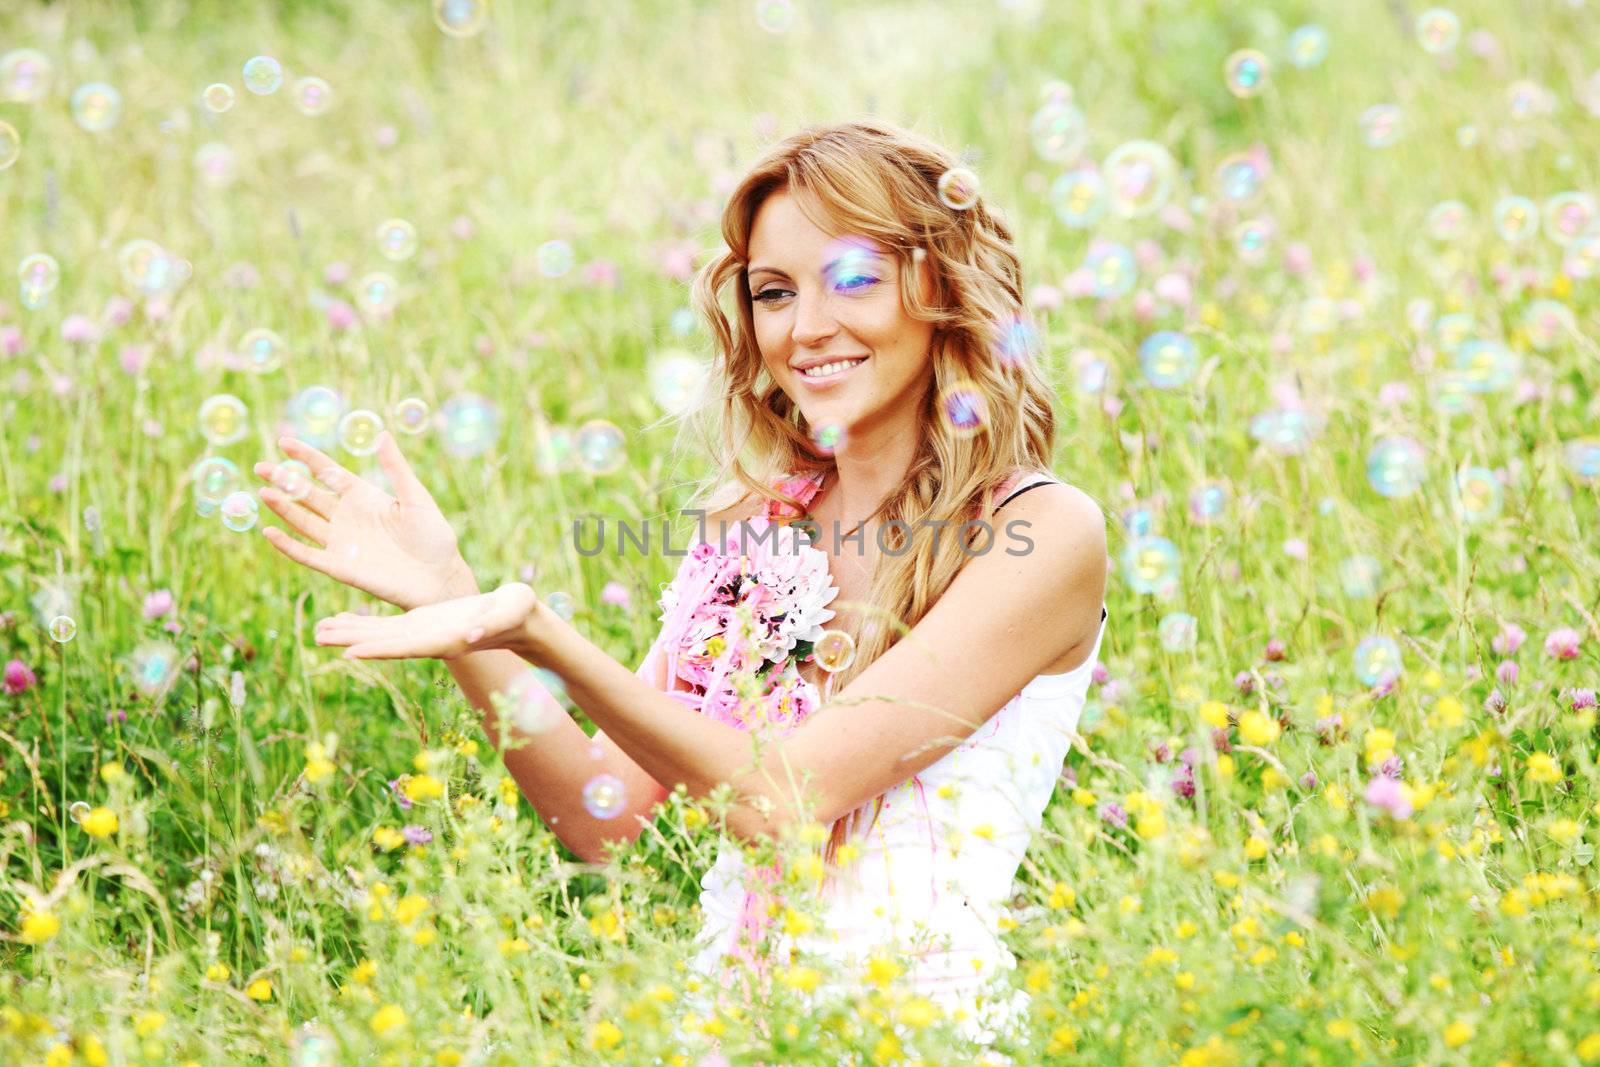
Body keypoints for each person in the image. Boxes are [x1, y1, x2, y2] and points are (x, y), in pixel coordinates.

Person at [253, 118, 1108, 1061]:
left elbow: (787, 800)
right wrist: (459, 610)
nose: (806, 326)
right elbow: (598, 817)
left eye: (852, 278)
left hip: (918, 1036)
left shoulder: (1038, 531)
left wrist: (547, 635)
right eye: (773, 292)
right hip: (733, 1035)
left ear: (938, 284)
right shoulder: (759, 527)